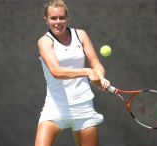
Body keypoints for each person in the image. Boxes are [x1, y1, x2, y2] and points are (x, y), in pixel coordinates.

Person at [35, 0, 110, 146]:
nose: (58, 22)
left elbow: (96, 64)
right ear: (46, 20)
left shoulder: (81, 35)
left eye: (62, 17)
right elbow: (56, 72)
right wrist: (88, 72)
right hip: (55, 108)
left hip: (83, 107)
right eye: (53, 18)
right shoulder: (44, 42)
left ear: (67, 18)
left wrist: (100, 77)